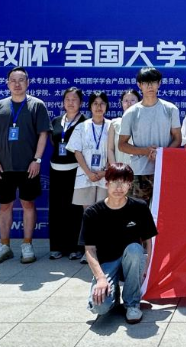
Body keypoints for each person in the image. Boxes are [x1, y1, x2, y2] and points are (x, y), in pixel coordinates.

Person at [0, 67, 51, 265]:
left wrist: (37, 160)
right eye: (13, 80)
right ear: (7, 83)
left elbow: (43, 134)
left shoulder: (37, 105)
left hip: (28, 166)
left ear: (27, 83)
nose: (17, 84)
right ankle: (4, 245)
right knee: (4, 205)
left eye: (21, 80)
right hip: (3, 167)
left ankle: (27, 244)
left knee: (28, 204)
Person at [83, 163, 157, 324]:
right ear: (106, 183)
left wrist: (146, 268)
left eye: (123, 182)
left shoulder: (139, 207)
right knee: (100, 307)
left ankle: (132, 304)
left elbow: (148, 241)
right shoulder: (93, 213)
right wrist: (100, 278)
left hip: (131, 262)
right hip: (107, 263)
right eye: (114, 182)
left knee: (135, 249)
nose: (119, 187)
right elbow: (89, 250)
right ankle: (113, 294)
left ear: (130, 185)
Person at [118, 67, 182, 204]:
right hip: (139, 172)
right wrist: (145, 151)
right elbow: (122, 145)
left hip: (164, 171)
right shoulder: (131, 113)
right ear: (139, 85)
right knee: (138, 213)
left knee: (164, 211)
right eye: (146, 83)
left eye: (153, 82)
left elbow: (178, 139)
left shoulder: (171, 109)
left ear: (159, 84)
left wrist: (162, 154)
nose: (150, 86)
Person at [68, 93, 113, 256]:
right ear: (90, 106)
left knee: (104, 213)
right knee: (88, 214)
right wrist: (88, 172)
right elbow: (77, 151)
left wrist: (104, 172)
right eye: (95, 103)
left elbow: (113, 151)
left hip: (105, 176)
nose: (98, 107)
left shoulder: (112, 126)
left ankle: (102, 250)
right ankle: (88, 250)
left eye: (102, 103)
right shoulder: (82, 126)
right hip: (85, 176)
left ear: (107, 106)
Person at [48, 87, 88, 261]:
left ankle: (75, 247)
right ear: (63, 102)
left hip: (76, 169)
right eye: (67, 99)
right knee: (57, 209)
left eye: (74, 99)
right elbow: (54, 141)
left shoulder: (85, 122)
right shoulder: (57, 121)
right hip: (56, 169)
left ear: (81, 103)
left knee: (75, 210)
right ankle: (57, 247)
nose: (71, 103)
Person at [107, 89, 140, 169]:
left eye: (132, 100)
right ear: (121, 103)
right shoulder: (114, 123)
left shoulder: (144, 123)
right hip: (119, 171)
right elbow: (110, 149)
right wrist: (115, 168)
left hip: (138, 171)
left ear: (139, 103)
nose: (129, 103)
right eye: (126, 101)